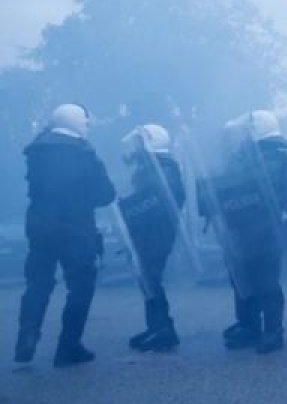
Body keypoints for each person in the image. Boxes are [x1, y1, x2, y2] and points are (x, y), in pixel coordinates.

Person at [14, 104, 116, 367]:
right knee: (80, 285)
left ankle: (27, 335)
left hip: (40, 227)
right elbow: (106, 194)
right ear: (77, 123)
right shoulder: (83, 152)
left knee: (38, 284)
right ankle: (68, 347)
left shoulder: (36, 151)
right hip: (75, 228)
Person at [219, 110, 287, 353]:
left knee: (266, 281)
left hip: (265, 230)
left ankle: (273, 331)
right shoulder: (251, 156)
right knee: (243, 279)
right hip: (244, 228)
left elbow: (262, 191)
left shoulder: (273, 157)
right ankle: (249, 326)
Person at [120, 124, 187, 352]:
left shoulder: (163, 168)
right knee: (147, 279)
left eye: (140, 142)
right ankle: (158, 327)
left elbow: (161, 201)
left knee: (150, 278)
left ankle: (163, 330)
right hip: (150, 232)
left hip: (156, 233)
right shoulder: (154, 166)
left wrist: (128, 211)